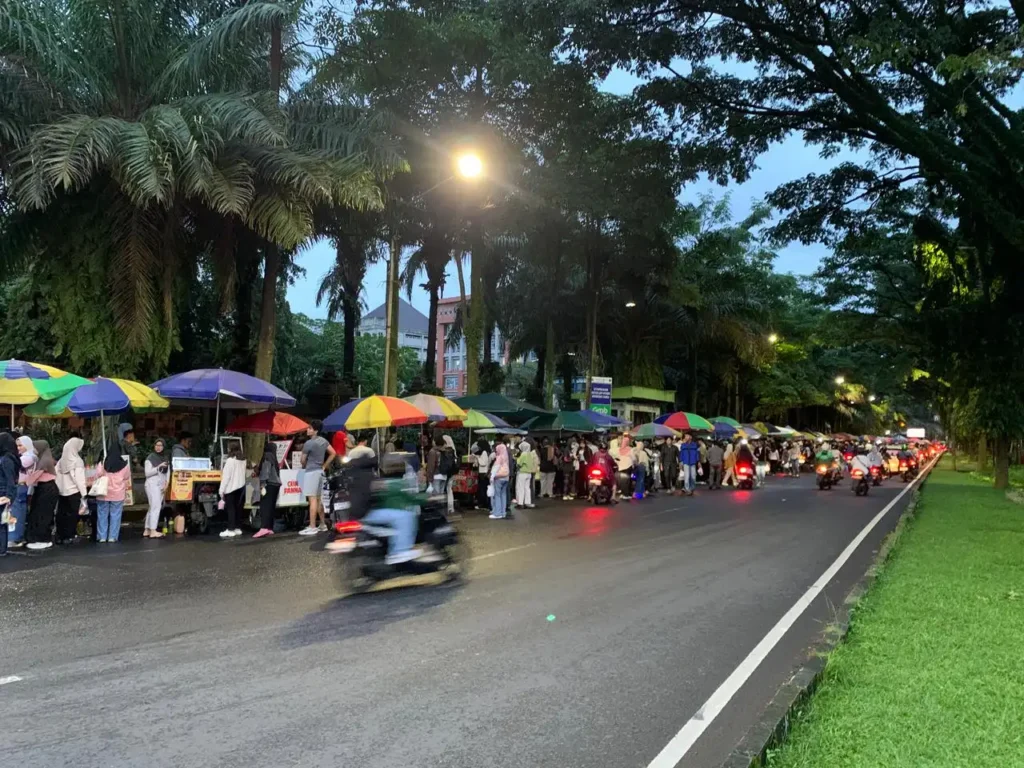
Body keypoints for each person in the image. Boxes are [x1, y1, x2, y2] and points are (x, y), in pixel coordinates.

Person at [362, 453, 424, 564]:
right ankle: (399, 551)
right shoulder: (398, 484)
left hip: (371, 515)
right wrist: (428, 497)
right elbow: (413, 498)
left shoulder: (380, 482)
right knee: (407, 517)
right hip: (385, 515)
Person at [299, 419, 336, 536]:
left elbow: (302, 460)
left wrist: (305, 464)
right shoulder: (323, 441)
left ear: (315, 431)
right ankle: (322, 524)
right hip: (320, 471)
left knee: (312, 499)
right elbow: (333, 453)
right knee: (319, 499)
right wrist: (325, 465)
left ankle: (312, 526)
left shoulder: (308, 443)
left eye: (310, 428)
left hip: (311, 472)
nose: (307, 430)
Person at [94, 439, 131, 542]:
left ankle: (102, 537)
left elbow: (97, 476)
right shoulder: (124, 465)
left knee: (102, 515)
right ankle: (112, 537)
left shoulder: (103, 463)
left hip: (103, 493)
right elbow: (126, 477)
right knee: (115, 515)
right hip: (118, 494)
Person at [25, 440, 58, 551]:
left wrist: (23, 480)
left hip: (47, 489)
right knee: (40, 513)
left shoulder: (44, 461)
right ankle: (40, 538)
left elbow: (32, 478)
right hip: (44, 488)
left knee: (42, 515)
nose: (33, 450)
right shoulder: (42, 459)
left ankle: (42, 539)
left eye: (35, 447)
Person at [54, 437, 87, 545]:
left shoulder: (60, 461)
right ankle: (70, 535)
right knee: (72, 515)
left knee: (61, 513)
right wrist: (84, 494)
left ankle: (60, 535)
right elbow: (79, 480)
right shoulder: (77, 461)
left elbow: (56, 475)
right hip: (74, 492)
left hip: (62, 491)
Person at [8, 435, 36, 549]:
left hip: (21, 487)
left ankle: (16, 537)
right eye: (17, 446)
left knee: (17, 513)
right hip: (19, 487)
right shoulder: (24, 456)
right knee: (15, 512)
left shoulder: (30, 457)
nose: (18, 448)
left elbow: (16, 464)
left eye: (20, 445)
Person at [218, 443, 247, 538]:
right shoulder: (243, 460)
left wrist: (221, 490)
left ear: (230, 449)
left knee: (231, 510)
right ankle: (237, 528)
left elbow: (226, 477)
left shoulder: (230, 461)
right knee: (238, 509)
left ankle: (230, 529)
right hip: (241, 487)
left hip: (231, 488)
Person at [254, 440, 281, 538]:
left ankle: (264, 527)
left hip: (268, 484)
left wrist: (262, 484)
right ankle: (269, 527)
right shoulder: (274, 457)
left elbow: (266, 471)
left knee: (265, 506)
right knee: (271, 507)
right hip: (276, 485)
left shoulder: (267, 456)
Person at [144, 439, 169, 538]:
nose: (158, 447)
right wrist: (158, 467)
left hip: (161, 485)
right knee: (156, 506)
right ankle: (153, 530)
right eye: (157, 445)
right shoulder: (150, 458)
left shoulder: (165, 457)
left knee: (152, 506)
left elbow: (168, 472)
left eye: (161, 445)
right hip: (152, 484)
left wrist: (167, 483)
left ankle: (147, 529)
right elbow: (147, 473)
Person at [0, 433, 19, 556]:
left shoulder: (6, 460)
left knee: (1, 523)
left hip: (2, 493)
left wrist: (9, 496)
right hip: (3, 492)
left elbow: (10, 480)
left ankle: (1, 549)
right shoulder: (7, 458)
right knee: (2, 522)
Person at [489, 442, 511, 520]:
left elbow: (496, 468)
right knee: (503, 495)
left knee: (497, 495)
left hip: (499, 478)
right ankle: (503, 512)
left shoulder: (499, 457)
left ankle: (497, 513)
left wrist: (492, 477)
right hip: (506, 478)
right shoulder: (506, 457)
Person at [515, 440, 538, 508]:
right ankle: (527, 502)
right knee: (527, 488)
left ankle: (520, 503)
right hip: (529, 473)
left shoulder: (523, 454)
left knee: (521, 488)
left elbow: (519, 464)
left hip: (522, 473)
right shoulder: (530, 454)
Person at [474, 438, 491, 510]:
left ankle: (482, 504)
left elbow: (483, 463)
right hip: (484, 472)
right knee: (484, 489)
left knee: (482, 489)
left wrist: (477, 458)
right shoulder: (487, 452)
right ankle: (485, 503)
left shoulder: (484, 452)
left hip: (483, 472)